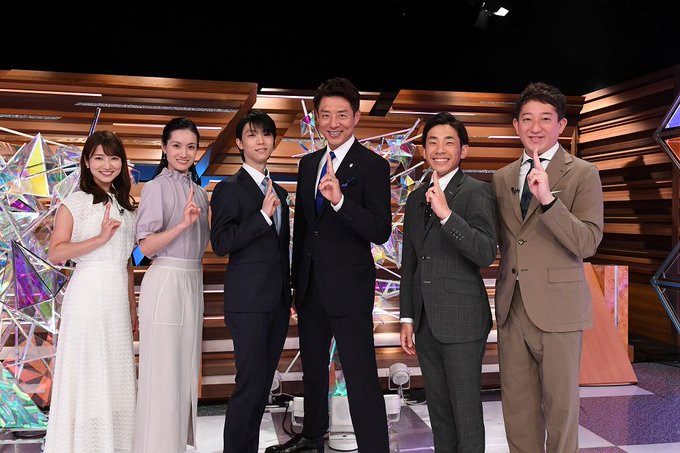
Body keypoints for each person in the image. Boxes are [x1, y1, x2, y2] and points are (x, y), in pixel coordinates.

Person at [266, 77, 392, 453]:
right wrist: (295, 285)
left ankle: (374, 447)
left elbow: (380, 230)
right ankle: (311, 436)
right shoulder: (309, 164)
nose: (333, 123)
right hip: (310, 287)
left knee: (360, 374)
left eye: (341, 115)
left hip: (350, 288)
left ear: (356, 117)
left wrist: (340, 202)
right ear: (316, 119)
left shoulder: (373, 166)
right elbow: (304, 230)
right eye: (325, 115)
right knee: (314, 368)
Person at [491, 82, 604, 452]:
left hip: (560, 310)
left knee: (561, 412)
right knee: (518, 413)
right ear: (515, 125)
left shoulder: (583, 173)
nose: (535, 127)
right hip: (512, 307)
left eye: (545, 119)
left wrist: (549, 202)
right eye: (527, 119)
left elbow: (587, 242)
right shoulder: (502, 177)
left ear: (561, 125)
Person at [399, 112, 497, 453]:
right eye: (432, 142)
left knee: (465, 413)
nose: (439, 149)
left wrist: (447, 215)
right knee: (439, 412)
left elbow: (485, 252)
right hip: (426, 322)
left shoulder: (477, 192)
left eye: (448, 142)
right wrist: (407, 317)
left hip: (463, 320)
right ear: (424, 150)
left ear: (463, 150)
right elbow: (410, 261)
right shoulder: (415, 198)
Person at [44, 131, 137, 453]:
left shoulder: (127, 207)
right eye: (99, 157)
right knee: (89, 373)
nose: (107, 165)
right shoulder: (75, 203)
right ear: (86, 162)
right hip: (87, 295)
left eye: (113, 157)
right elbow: (56, 252)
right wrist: (99, 239)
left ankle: (114, 444)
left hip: (117, 300)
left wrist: (132, 307)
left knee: (115, 376)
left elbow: (127, 263)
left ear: (122, 162)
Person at [210, 110, 291, 453]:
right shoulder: (229, 189)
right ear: (240, 143)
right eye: (253, 135)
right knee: (249, 384)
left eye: (266, 134)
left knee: (262, 388)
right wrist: (261, 216)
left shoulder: (280, 192)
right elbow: (221, 243)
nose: (261, 141)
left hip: (277, 302)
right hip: (247, 303)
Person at [133, 117, 209, 453]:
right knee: (163, 372)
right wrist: (181, 225)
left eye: (190, 147)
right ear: (164, 148)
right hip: (166, 281)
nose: (183, 153)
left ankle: (176, 445)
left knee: (184, 372)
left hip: (193, 280)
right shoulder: (155, 187)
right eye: (176, 145)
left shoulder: (201, 193)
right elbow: (145, 247)